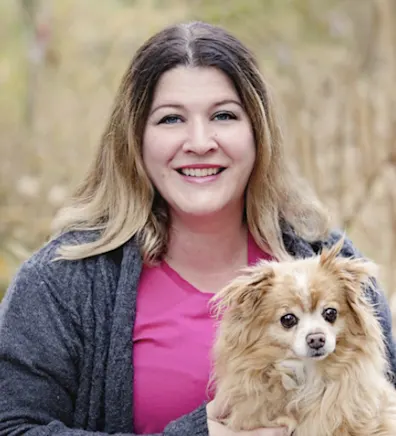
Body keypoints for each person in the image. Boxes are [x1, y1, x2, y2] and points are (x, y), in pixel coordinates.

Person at [0, 20, 395, 436]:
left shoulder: (335, 263)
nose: (200, 141)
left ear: (258, 132)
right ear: (135, 139)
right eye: (171, 120)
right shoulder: (63, 283)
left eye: (224, 115)